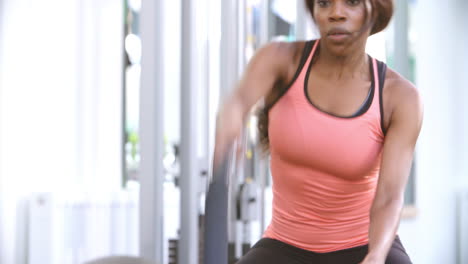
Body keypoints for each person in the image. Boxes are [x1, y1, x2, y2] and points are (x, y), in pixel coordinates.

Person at [213, 0, 423, 263]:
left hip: (363, 244)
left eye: (352, 2)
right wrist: (230, 121)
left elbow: (390, 195)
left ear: (376, 10)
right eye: (324, 3)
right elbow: (238, 101)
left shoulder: (400, 97)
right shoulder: (280, 60)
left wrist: (377, 255)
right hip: (284, 244)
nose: (336, 13)